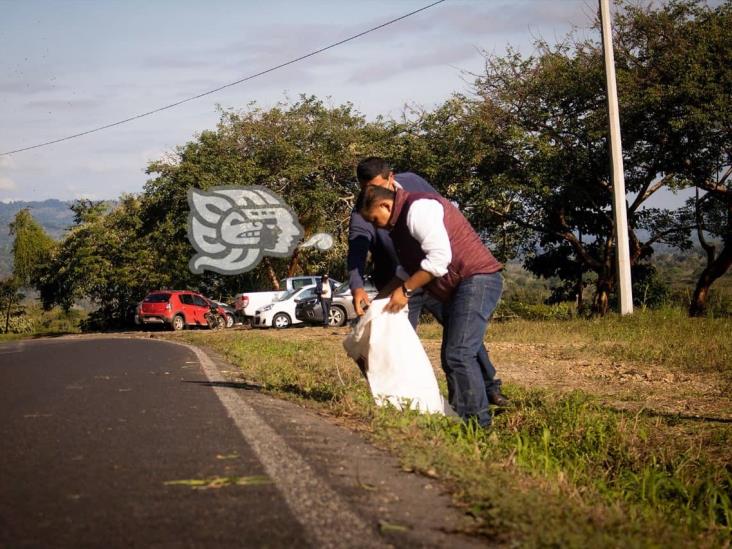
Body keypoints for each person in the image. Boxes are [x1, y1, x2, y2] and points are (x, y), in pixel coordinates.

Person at [348, 157, 508, 407]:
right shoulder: (373, 213)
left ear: (390, 180)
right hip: (413, 278)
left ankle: (483, 403)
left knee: (460, 346)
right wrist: (370, 294)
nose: (375, 226)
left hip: (450, 277)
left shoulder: (416, 202)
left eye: (375, 187)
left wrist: (406, 289)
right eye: (365, 188)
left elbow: (438, 253)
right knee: (412, 345)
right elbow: (380, 258)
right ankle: (411, 400)